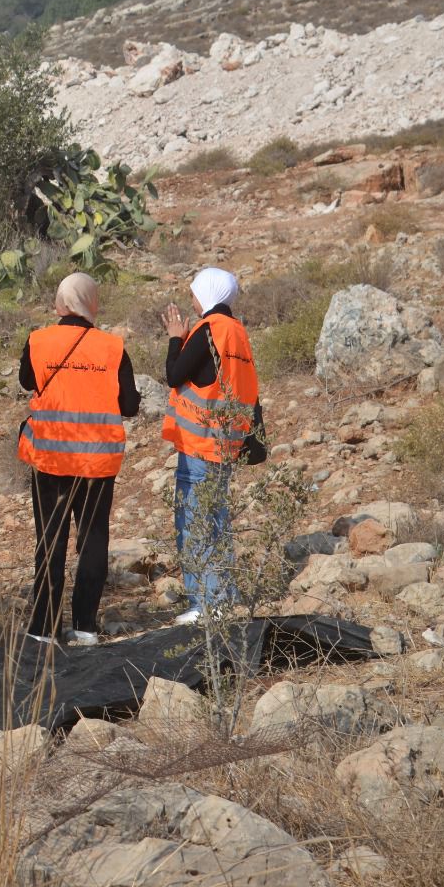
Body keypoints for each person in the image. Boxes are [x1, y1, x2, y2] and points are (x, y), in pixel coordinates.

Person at [17, 273, 141, 646]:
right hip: (96, 464)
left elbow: (27, 381)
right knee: (92, 542)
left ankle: (43, 630)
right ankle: (85, 627)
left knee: (49, 542)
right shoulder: (112, 347)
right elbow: (130, 406)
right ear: (92, 303)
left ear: (61, 304)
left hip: (51, 461)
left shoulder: (38, 341)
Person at [161, 267, 261, 626]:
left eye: (194, 292)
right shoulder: (237, 333)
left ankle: (207, 602)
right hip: (226, 443)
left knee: (195, 521)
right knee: (216, 519)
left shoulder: (209, 330)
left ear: (207, 293)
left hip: (200, 444)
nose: (191, 298)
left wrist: (176, 338)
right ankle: (221, 596)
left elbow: (174, 374)